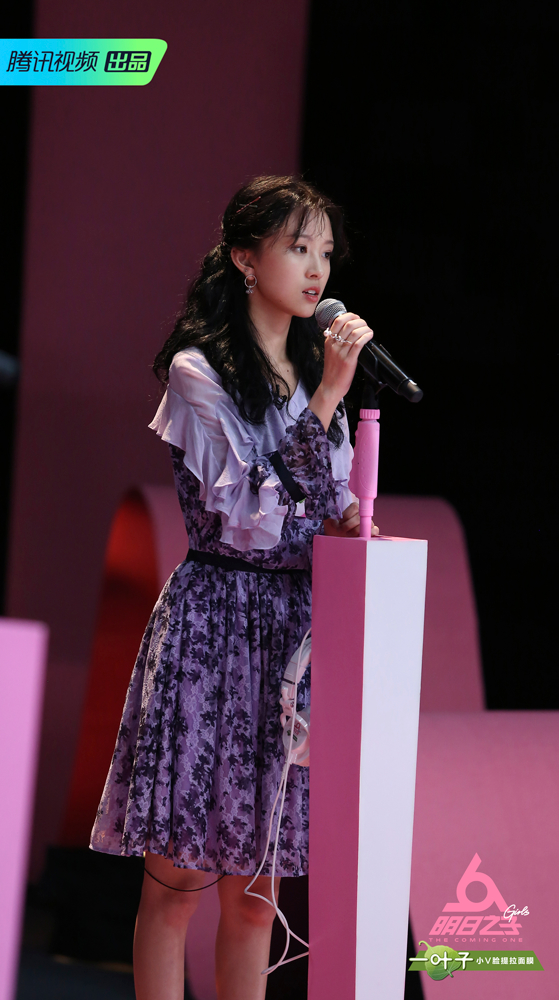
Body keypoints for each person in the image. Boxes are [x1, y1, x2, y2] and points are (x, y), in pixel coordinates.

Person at [90, 174, 377, 1000]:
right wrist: (328, 395)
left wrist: (348, 518)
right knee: (177, 882)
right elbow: (248, 511)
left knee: (255, 898)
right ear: (246, 259)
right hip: (216, 622)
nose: (316, 268)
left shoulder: (312, 373)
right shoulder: (198, 370)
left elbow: (325, 500)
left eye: (325, 252)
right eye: (297, 247)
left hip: (291, 633)